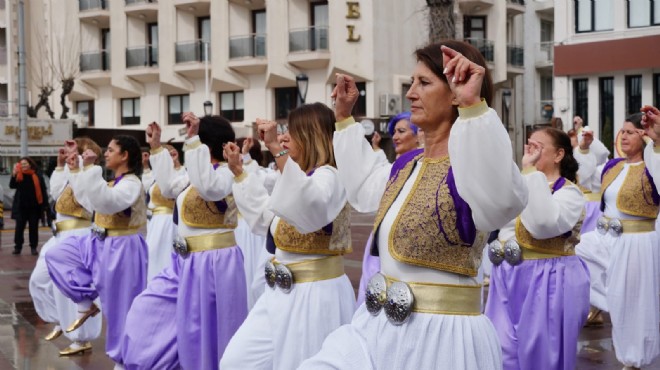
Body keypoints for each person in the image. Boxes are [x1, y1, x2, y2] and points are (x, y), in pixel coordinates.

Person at [299, 41, 528, 369]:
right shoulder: (407, 165)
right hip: (377, 328)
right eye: (411, 83)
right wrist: (345, 120)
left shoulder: (470, 164)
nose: (410, 93)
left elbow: (501, 200)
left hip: (440, 339)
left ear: (455, 92)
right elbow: (364, 187)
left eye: (424, 83)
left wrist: (474, 109)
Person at [220, 103, 355, 370]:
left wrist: (275, 150)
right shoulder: (298, 178)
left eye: (290, 133)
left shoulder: (331, 177)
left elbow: (309, 207)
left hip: (315, 294)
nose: (283, 138)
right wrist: (240, 174)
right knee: (236, 361)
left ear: (310, 136)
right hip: (280, 293)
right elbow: (266, 220)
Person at [122, 117, 247, 370]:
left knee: (208, 327)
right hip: (186, 262)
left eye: (197, 135)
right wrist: (156, 147)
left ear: (205, 141)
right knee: (146, 306)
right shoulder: (195, 174)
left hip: (214, 260)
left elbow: (210, 188)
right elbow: (168, 187)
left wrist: (192, 141)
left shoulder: (226, 173)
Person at [484, 127, 589, 369]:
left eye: (538, 146)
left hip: (547, 278)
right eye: (528, 144)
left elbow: (542, 224)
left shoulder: (569, 193)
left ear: (559, 155)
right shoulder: (522, 185)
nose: (530, 150)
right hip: (507, 275)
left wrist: (530, 173)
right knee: (502, 348)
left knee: (541, 354)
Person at [46, 135, 148, 369]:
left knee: (120, 309)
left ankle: (124, 361)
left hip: (124, 248)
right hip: (98, 243)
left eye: (111, 150)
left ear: (124, 156)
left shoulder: (132, 184)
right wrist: (75, 168)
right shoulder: (112, 183)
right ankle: (85, 300)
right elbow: (88, 199)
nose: (107, 153)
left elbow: (106, 203)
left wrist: (90, 167)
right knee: (58, 255)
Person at [576, 108, 660, 370]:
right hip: (606, 238)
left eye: (631, 132)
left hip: (637, 242)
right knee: (574, 252)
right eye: (622, 131)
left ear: (644, 135)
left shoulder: (652, 165)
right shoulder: (613, 166)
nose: (623, 136)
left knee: (635, 301)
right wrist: (584, 149)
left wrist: (656, 143)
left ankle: (634, 359)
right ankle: (605, 303)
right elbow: (586, 175)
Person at [29, 138, 103, 356]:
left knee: (75, 289)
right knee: (39, 281)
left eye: (74, 150)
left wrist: (76, 168)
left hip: (78, 236)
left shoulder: (91, 172)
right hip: (59, 236)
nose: (70, 153)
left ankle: (81, 339)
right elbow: (55, 192)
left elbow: (87, 199)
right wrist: (60, 164)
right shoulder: (71, 175)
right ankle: (60, 320)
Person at [143, 143, 184, 281]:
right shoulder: (155, 179)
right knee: (152, 256)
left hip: (170, 223)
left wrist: (175, 163)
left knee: (167, 257)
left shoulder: (180, 174)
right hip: (155, 224)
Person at [10, 157, 47, 255]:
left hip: (34, 207)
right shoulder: (18, 175)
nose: (23, 166)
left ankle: (33, 247)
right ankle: (18, 247)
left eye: (25, 164)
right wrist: (14, 175)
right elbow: (12, 185)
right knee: (19, 229)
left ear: (30, 164)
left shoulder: (37, 175)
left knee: (34, 228)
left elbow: (43, 190)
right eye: (21, 164)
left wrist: (45, 205)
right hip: (21, 207)